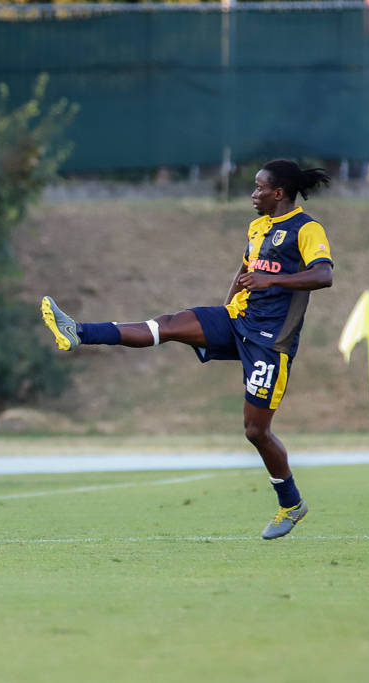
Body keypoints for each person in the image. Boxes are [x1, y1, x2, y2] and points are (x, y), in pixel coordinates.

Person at [41, 159, 333, 540]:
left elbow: (324, 275)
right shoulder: (258, 227)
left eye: (259, 188)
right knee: (169, 324)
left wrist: (269, 280)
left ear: (278, 193)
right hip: (237, 319)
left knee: (255, 430)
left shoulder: (306, 228)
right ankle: (78, 331)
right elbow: (244, 270)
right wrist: (229, 304)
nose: (253, 194)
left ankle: (291, 504)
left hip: (270, 341)